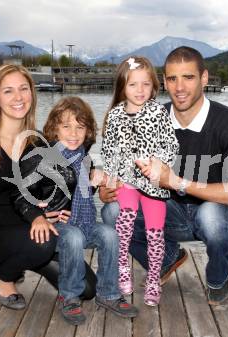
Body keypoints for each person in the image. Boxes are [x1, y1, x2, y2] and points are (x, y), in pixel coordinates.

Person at [100, 46, 228, 305]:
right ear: (164, 82)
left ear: (204, 78)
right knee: (112, 212)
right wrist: (109, 187)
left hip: (213, 213)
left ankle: (218, 280)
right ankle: (167, 259)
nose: (180, 87)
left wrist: (176, 182)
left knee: (212, 218)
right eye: (173, 79)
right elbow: (122, 164)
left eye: (189, 77)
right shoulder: (149, 117)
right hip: (168, 210)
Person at [0, 64, 96, 311]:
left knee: (86, 289)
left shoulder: (37, 145)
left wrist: (94, 182)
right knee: (43, 243)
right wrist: (33, 218)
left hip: (32, 230)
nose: (18, 97)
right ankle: (3, 275)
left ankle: (29, 257)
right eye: (8, 91)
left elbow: (65, 184)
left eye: (24, 89)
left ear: (32, 94)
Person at [13, 96, 138, 325]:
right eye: (66, 126)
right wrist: (38, 216)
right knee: (73, 237)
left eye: (80, 127)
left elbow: (78, 194)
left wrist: (94, 182)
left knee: (109, 235)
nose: (73, 133)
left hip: (78, 221)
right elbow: (20, 195)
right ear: (54, 129)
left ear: (88, 131)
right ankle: (68, 296)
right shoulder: (41, 157)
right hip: (51, 226)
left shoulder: (84, 158)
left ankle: (108, 293)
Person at [101, 56, 179, 306]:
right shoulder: (114, 116)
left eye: (146, 84)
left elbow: (171, 144)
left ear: (154, 87)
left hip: (153, 183)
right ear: (123, 87)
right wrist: (111, 176)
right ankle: (123, 266)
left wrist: (159, 163)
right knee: (124, 221)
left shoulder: (158, 112)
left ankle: (154, 278)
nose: (140, 90)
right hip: (126, 181)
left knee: (154, 233)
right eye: (133, 84)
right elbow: (109, 149)